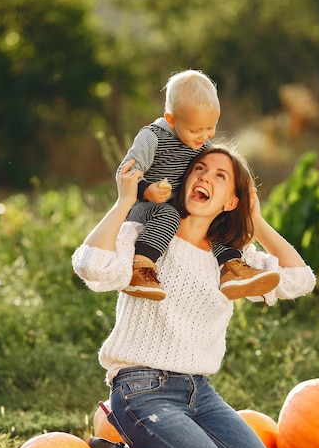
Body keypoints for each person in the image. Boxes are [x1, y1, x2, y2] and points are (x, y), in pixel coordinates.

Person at [72, 145, 316, 448]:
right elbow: (91, 265)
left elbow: (300, 280)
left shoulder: (233, 261)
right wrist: (124, 201)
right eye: (200, 169)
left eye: (220, 175)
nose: (205, 177)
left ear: (231, 201)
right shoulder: (147, 239)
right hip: (141, 391)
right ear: (187, 181)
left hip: (200, 394)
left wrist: (258, 221)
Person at [116, 69, 280, 301]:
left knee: (213, 219)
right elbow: (125, 171)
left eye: (210, 127)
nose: (204, 136)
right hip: (146, 209)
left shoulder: (201, 143)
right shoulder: (152, 137)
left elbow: (221, 164)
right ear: (171, 120)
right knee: (168, 214)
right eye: (196, 130)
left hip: (181, 207)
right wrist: (147, 190)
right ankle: (139, 269)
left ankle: (233, 268)